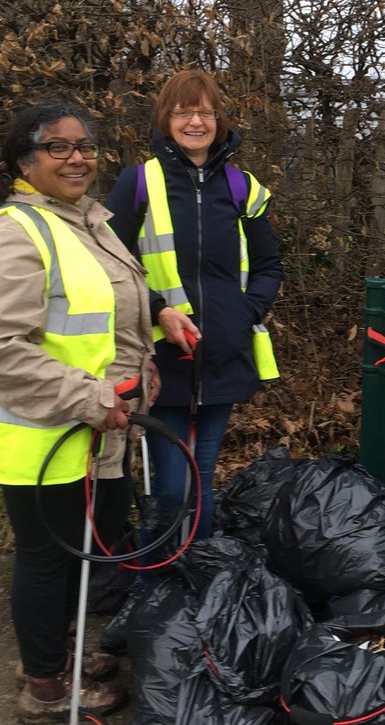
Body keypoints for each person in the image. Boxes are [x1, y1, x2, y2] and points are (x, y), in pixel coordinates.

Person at [0, 99, 155, 721]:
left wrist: (157, 327)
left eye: (85, 146)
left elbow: (103, 305)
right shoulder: (8, 233)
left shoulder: (83, 220)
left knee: (80, 553)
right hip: (42, 433)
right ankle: (44, 684)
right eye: (58, 147)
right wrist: (94, 399)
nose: (77, 158)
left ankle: (52, 654)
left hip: (94, 428)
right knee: (48, 559)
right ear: (25, 161)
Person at [105, 69, 283, 544]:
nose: (195, 122)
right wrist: (158, 310)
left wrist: (244, 315)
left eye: (205, 111)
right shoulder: (138, 182)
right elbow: (108, 264)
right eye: (183, 112)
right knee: (171, 486)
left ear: (219, 119)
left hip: (223, 355)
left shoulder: (243, 187)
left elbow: (269, 266)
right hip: (162, 358)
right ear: (166, 119)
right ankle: (154, 577)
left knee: (201, 479)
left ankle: (198, 576)